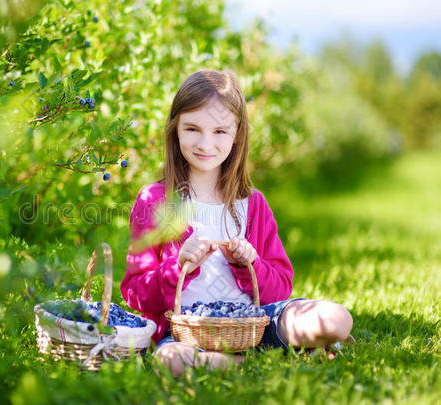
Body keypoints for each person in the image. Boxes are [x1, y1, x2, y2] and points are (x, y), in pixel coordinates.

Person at [120, 69, 353, 377]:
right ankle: (262, 361)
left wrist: (250, 264)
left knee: (336, 318)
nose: (205, 143)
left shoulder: (253, 204)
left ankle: (255, 355)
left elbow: (280, 288)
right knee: (171, 361)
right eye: (192, 129)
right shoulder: (155, 200)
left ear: (237, 135)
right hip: (188, 332)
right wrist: (179, 267)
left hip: (257, 324)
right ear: (175, 129)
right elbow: (136, 292)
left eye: (219, 131)